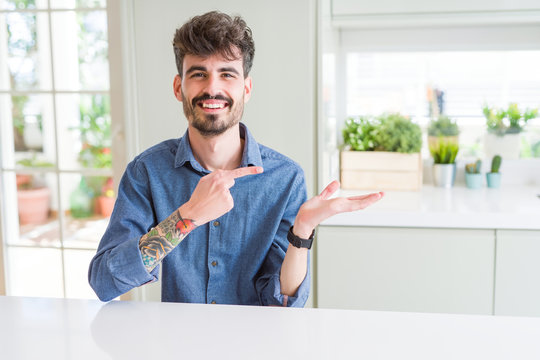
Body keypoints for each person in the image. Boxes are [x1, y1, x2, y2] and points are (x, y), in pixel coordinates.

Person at [88, 11, 383, 306]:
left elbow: (282, 302)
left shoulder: (286, 178)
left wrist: (301, 233)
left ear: (246, 88)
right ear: (179, 87)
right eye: (199, 74)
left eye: (227, 74)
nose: (213, 88)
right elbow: (104, 282)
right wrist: (187, 217)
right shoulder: (147, 172)